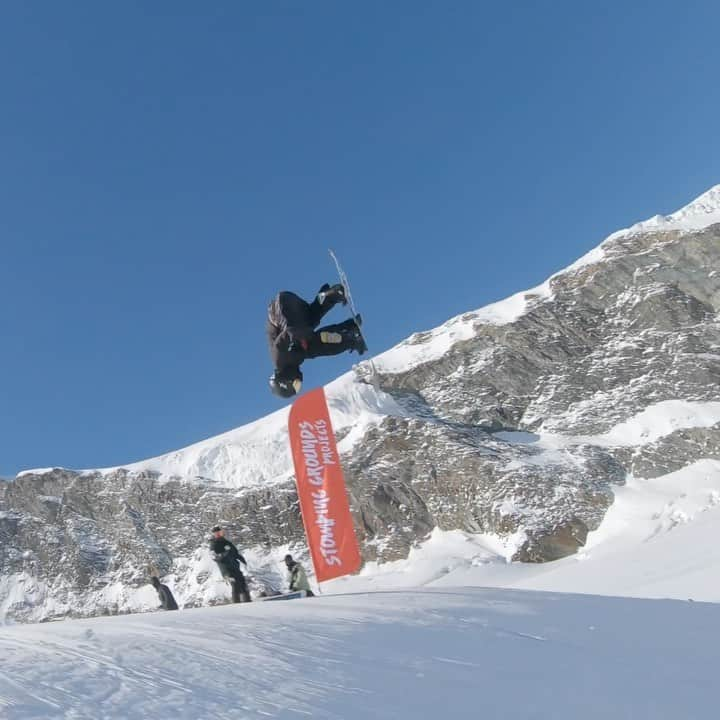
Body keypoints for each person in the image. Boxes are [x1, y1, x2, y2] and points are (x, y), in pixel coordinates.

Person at [267, 283, 367, 399]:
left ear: (286, 380)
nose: (300, 381)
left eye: (296, 384)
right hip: (292, 306)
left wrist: (304, 336)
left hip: (279, 308)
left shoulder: (279, 358)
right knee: (312, 332)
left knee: (311, 343)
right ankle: (332, 297)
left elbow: (287, 333)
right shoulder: (293, 362)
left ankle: (350, 337)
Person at [209, 525, 252, 603]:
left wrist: (243, 561)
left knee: (243, 585)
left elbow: (235, 553)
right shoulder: (213, 544)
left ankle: (248, 604)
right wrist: (225, 552)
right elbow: (214, 557)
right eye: (216, 533)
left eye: (219, 532)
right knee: (235, 586)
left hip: (235, 567)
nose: (218, 533)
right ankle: (236, 606)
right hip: (226, 570)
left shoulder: (226, 542)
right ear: (214, 534)